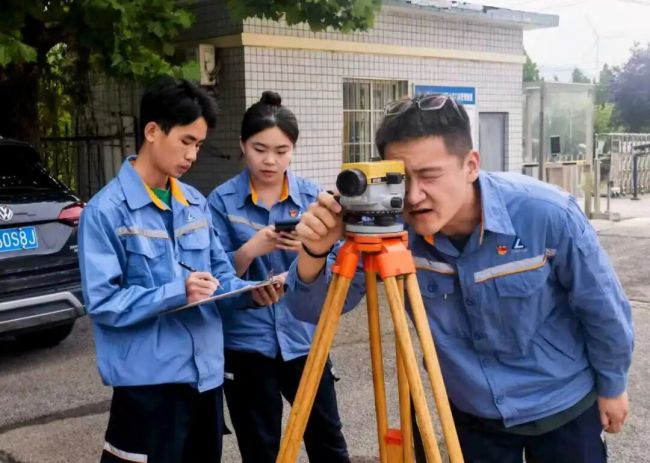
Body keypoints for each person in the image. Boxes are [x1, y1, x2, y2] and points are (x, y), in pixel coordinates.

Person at [282, 94, 634, 463]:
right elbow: (311, 311)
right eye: (401, 179)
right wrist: (315, 252)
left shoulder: (547, 213)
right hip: (469, 414)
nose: (414, 196)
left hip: (563, 405)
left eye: (429, 175)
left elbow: (602, 307)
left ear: (470, 165)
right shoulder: (388, 226)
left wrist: (613, 386)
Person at [78, 77, 280, 463]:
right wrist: (177, 291)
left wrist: (250, 294)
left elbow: (220, 276)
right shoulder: (106, 212)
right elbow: (103, 303)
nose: (192, 155)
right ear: (152, 131)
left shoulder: (194, 202)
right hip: (148, 387)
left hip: (205, 380)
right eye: (186, 141)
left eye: (198, 145)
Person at [207, 91, 350, 463]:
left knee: (328, 443)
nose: (270, 160)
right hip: (246, 346)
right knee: (260, 449)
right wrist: (252, 248)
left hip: (304, 339)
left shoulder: (313, 199)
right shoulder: (220, 201)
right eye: (259, 149)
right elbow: (213, 276)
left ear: (292, 151)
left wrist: (310, 252)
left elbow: (339, 262)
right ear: (243, 145)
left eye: (281, 150)